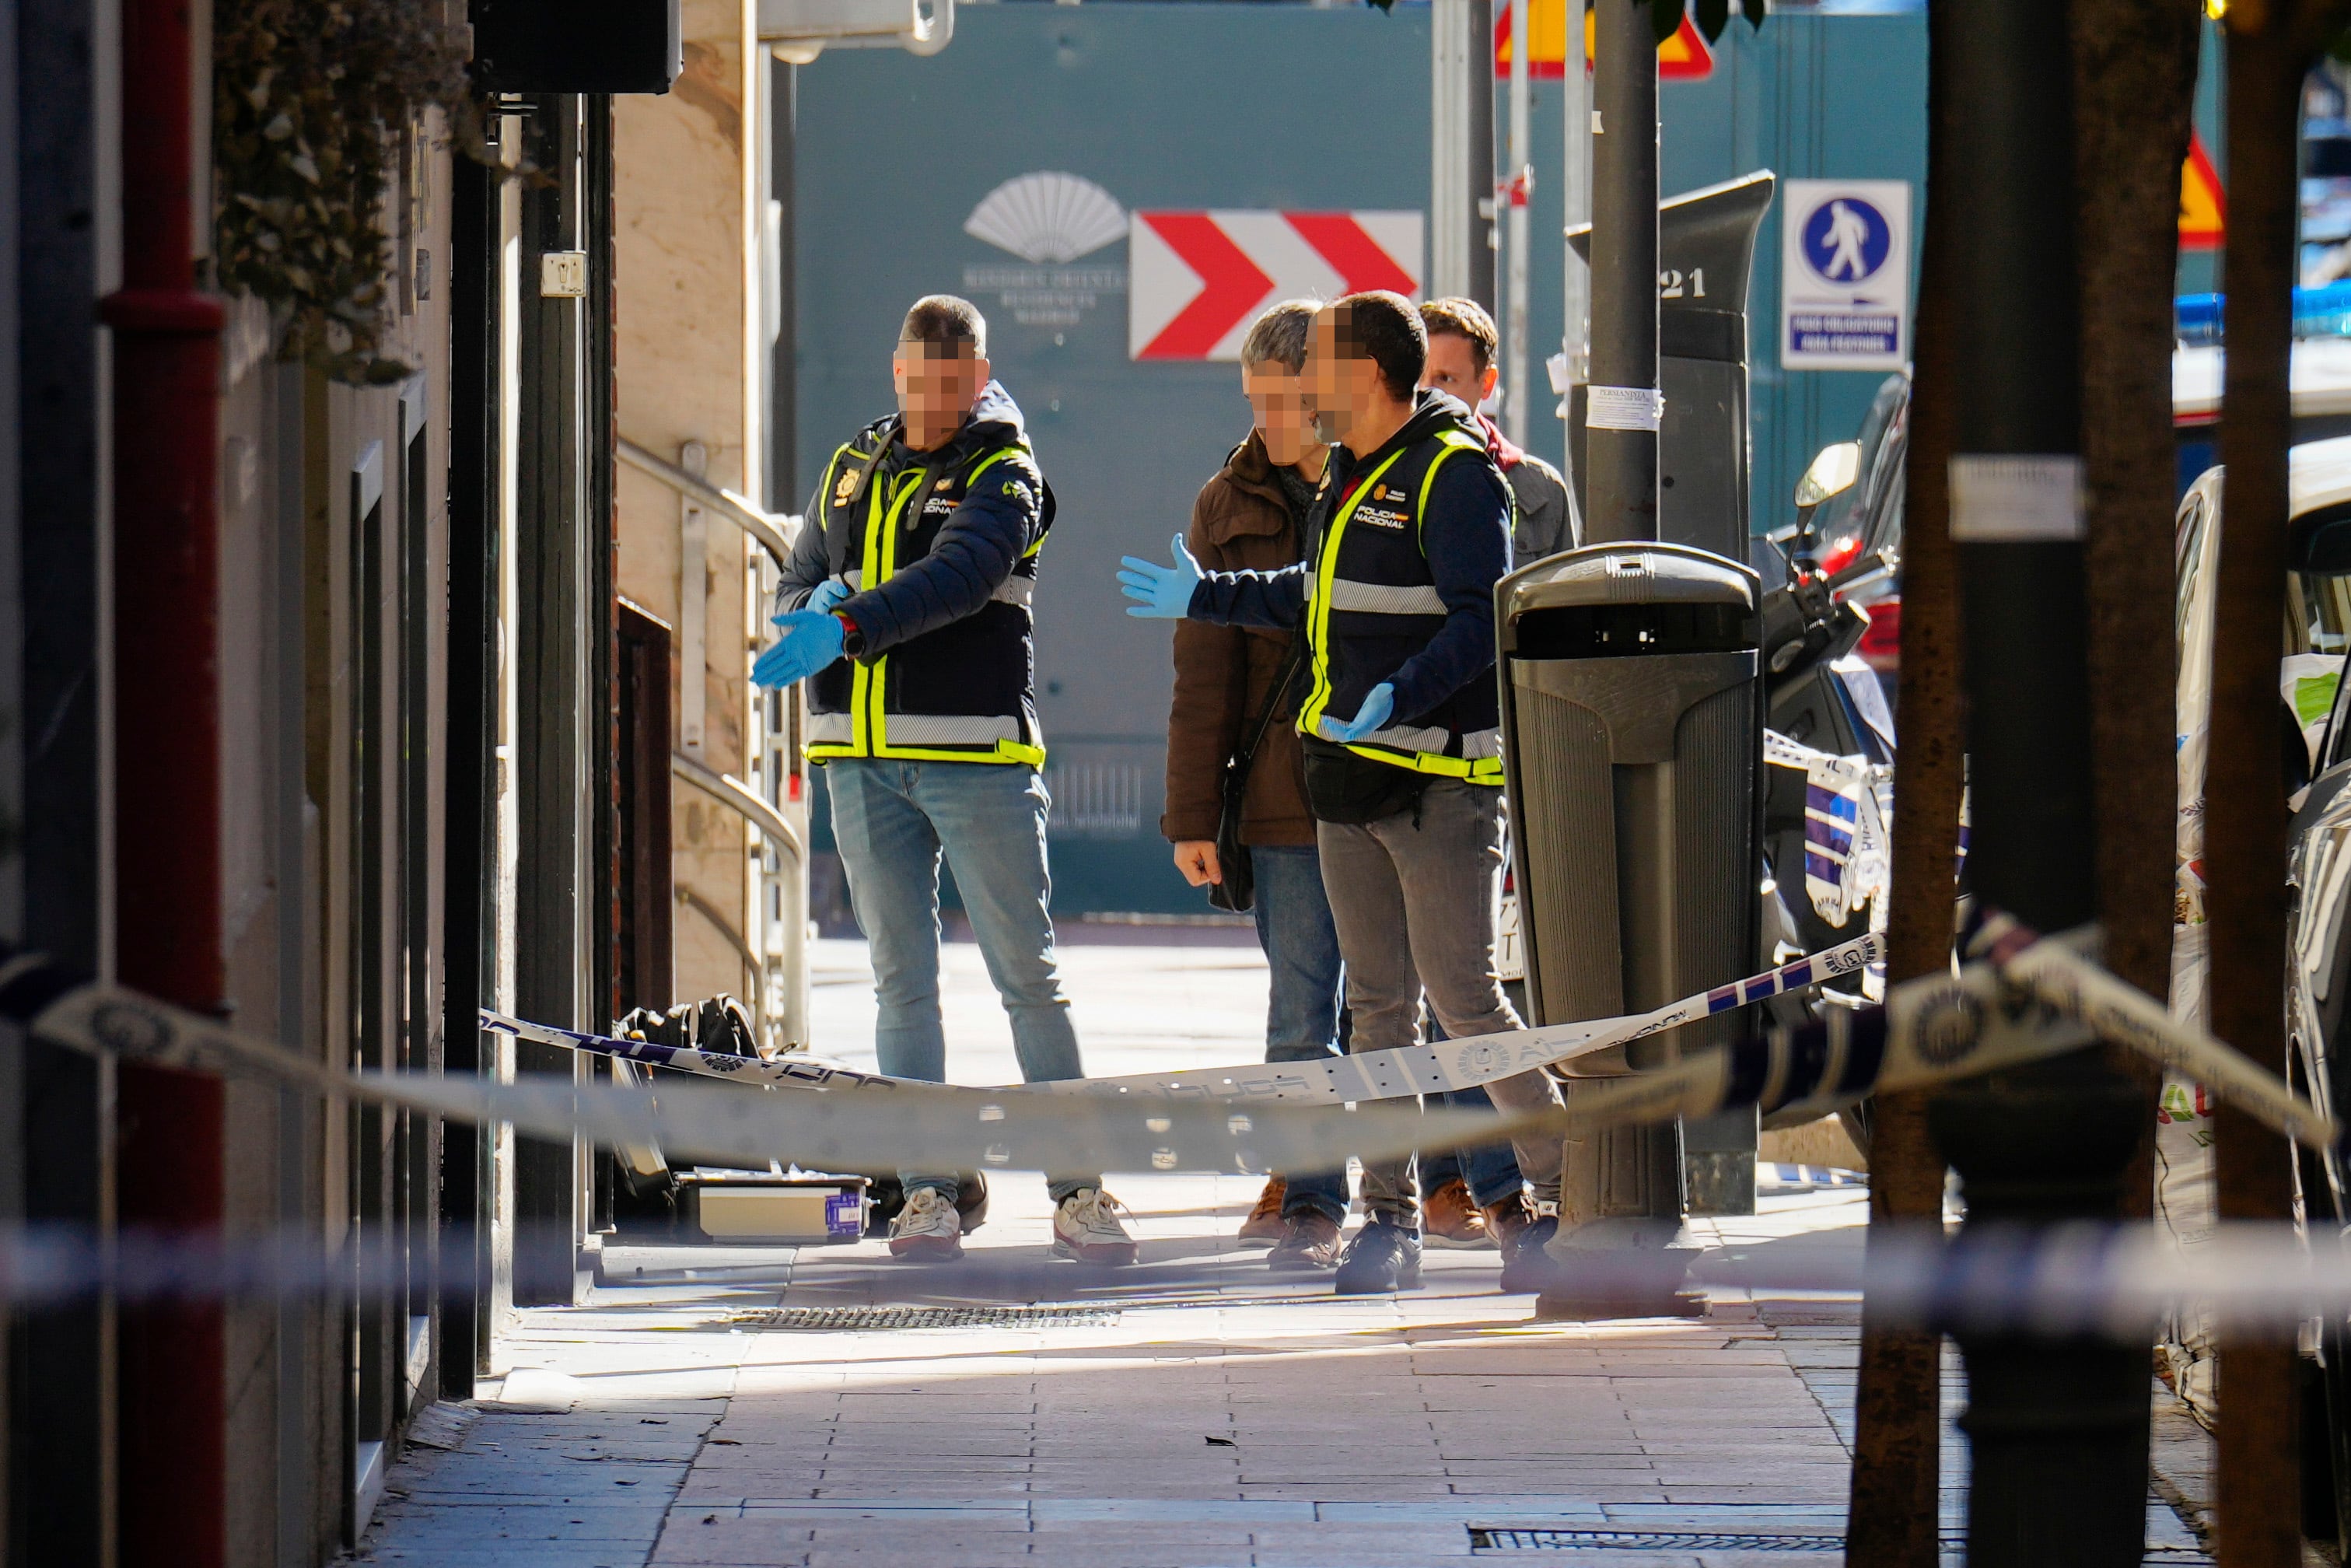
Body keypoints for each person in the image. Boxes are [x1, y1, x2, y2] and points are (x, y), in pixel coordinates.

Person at [1118, 292, 1566, 1295]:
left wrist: (1395, 696)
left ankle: (1556, 1197)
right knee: (1376, 1013)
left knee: (1464, 1001)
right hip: (1346, 791)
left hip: (1438, 792)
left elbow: (1475, 622)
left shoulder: (1455, 477)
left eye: (1314, 365)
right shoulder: (1347, 476)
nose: (1298, 386)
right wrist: (1203, 596)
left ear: (1364, 375)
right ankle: (1388, 1221)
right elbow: (1309, 591)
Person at [756, 294, 1137, 1268]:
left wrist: (841, 626)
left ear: (977, 378)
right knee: (899, 982)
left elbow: (961, 578)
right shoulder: (851, 466)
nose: (933, 400)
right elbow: (791, 580)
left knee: (1026, 975)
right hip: (857, 757)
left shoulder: (1004, 468)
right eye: (917, 380)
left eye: (952, 384)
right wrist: (814, 600)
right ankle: (925, 1193)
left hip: (977, 759)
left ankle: (1078, 1191)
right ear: (895, 371)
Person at [1157, 300, 1350, 1271]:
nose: (1266, 421)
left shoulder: (1385, 482)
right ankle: (1312, 1199)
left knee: (1393, 1010)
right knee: (1299, 1013)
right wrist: (1192, 817)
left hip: (1388, 782)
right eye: (1254, 401)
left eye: (1281, 402)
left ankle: (1410, 1190)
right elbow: (1205, 678)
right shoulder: (1222, 505)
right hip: (1281, 801)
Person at [1412, 298, 1576, 1261]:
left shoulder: (1537, 490)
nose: (1435, 392)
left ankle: (1495, 1182)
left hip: (1505, 758)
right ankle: (1458, 1184)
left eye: (1450, 378)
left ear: (1487, 385)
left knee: (1470, 980)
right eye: (1421, 376)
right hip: (1409, 751)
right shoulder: (1380, 478)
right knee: (1435, 983)